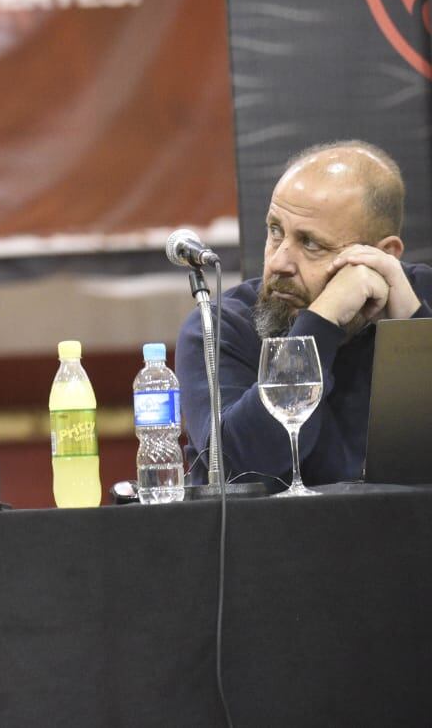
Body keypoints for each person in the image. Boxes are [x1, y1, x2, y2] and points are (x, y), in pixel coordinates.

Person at [176, 140, 432, 487]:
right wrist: (322, 321)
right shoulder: (221, 325)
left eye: (311, 243)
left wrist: (412, 331)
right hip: (270, 539)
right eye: (275, 231)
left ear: (381, 253)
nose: (279, 261)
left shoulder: (420, 297)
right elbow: (241, 470)